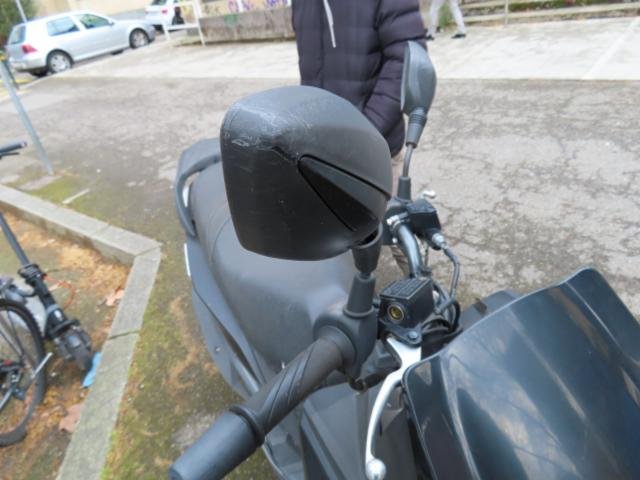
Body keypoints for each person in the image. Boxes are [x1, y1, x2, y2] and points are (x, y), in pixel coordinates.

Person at [292, 0, 426, 183]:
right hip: (319, 152)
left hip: (373, 153)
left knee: (380, 202)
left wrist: (366, 132)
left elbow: (406, 59)